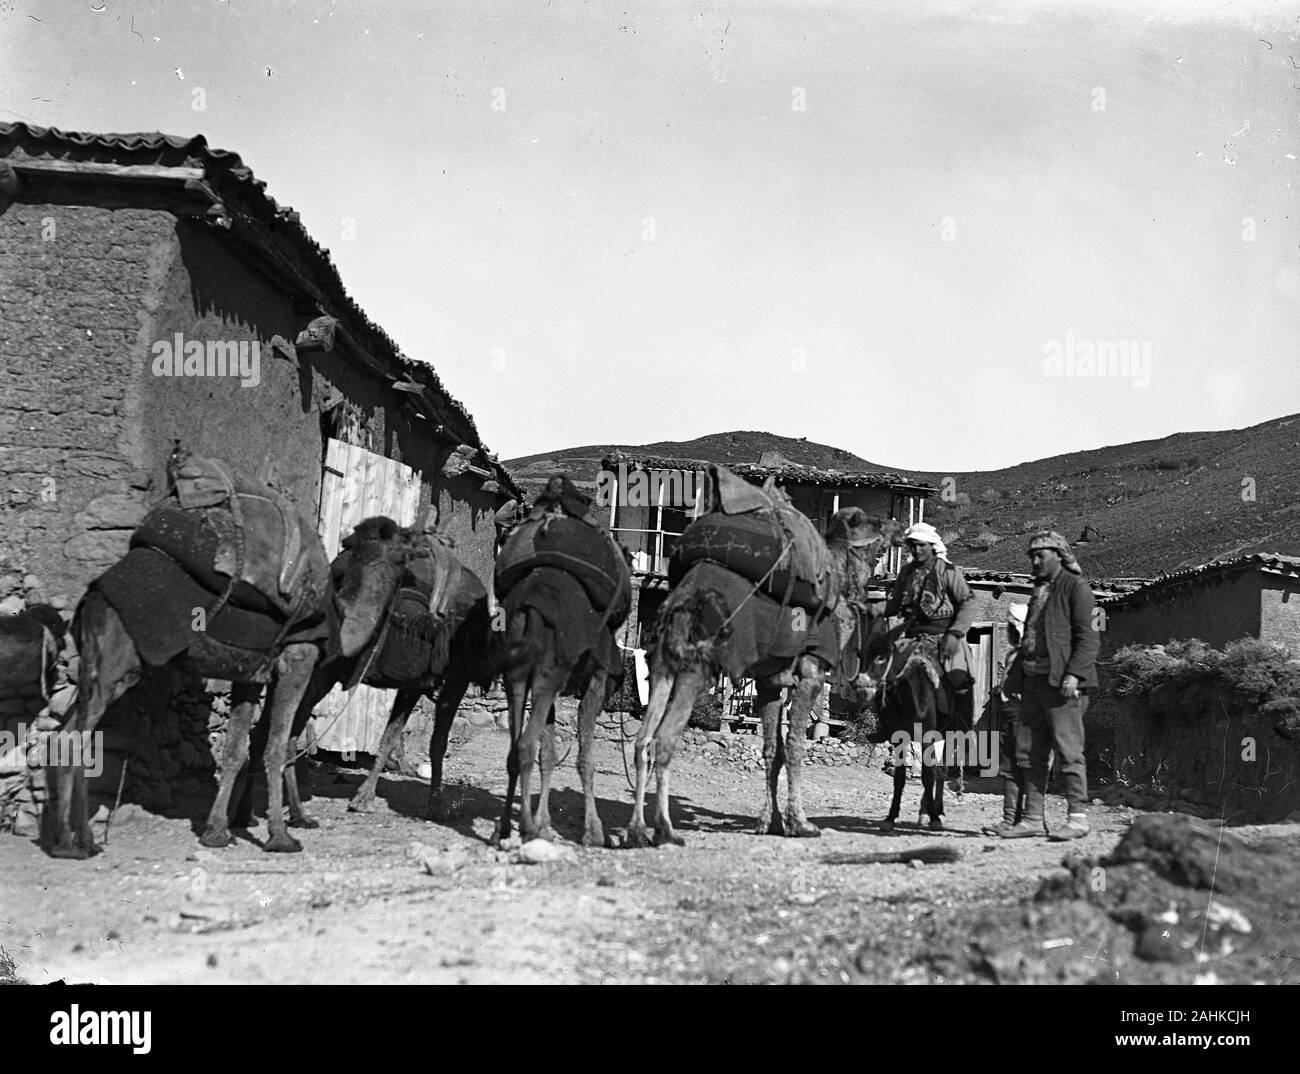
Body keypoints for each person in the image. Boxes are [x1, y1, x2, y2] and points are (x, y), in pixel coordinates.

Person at [999, 530, 1100, 841]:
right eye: (1031, 556)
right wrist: (1015, 679)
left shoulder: (1077, 589)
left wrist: (1075, 674)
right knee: (1030, 752)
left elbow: (1089, 637)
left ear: (1059, 554)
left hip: (1063, 685)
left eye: (1040, 555)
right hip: (1033, 683)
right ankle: (1032, 818)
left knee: (1069, 751)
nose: (1035, 561)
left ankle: (1078, 818)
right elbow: (1029, 640)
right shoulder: (1039, 591)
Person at [883, 521, 978, 732]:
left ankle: (962, 730)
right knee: (886, 677)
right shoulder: (906, 572)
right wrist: (870, 607)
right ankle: (889, 728)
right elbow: (894, 605)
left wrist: (955, 634)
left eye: (921, 545)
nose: (917, 550)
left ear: (932, 546)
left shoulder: (947, 571)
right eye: (913, 545)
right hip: (913, 637)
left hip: (945, 637)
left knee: (958, 680)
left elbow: (968, 602)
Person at [981, 602, 1032, 836]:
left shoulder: (1032, 656)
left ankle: (1028, 819)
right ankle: (1009, 819)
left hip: (1025, 717)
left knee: (1026, 766)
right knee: (1010, 768)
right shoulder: (1013, 655)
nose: (1009, 633)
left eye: (1011, 628)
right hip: (1009, 715)